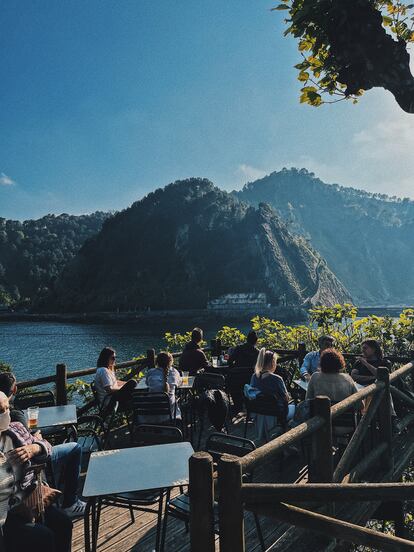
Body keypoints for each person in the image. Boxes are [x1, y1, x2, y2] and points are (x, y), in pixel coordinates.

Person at [0, 371, 86, 518]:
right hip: (36, 466)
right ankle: (70, 502)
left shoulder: (13, 422)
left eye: (6, 409)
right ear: (14, 389)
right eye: (3, 410)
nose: (6, 412)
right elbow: (29, 445)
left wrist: (35, 444)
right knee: (75, 448)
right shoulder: (16, 416)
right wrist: (37, 442)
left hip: (32, 461)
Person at [0, 391, 73, 552]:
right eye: (0, 410)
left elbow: (47, 447)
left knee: (64, 522)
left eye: (6, 409)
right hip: (7, 511)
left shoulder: (16, 428)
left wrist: (34, 448)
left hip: (30, 497)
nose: (5, 414)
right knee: (42, 536)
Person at [250, 348, 295, 422]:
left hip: (259, 410)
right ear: (272, 362)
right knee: (295, 406)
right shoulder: (277, 379)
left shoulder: (254, 376)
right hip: (276, 412)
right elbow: (286, 398)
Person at [94, 347, 136, 411]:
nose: (114, 360)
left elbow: (114, 382)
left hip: (113, 399)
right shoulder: (103, 371)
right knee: (133, 384)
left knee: (133, 385)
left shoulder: (107, 369)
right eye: (113, 358)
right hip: (111, 402)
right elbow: (109, 389)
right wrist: (124, 387)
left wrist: (126, 384)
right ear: (106, 358)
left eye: (115, 358)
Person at [146, 352, 182, 421]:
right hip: (169, 412)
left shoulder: (150, 372)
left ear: (156, 362)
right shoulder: (174, 372)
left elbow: (147, 383)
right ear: (171, 362)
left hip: (151, 411)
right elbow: (179, 383)